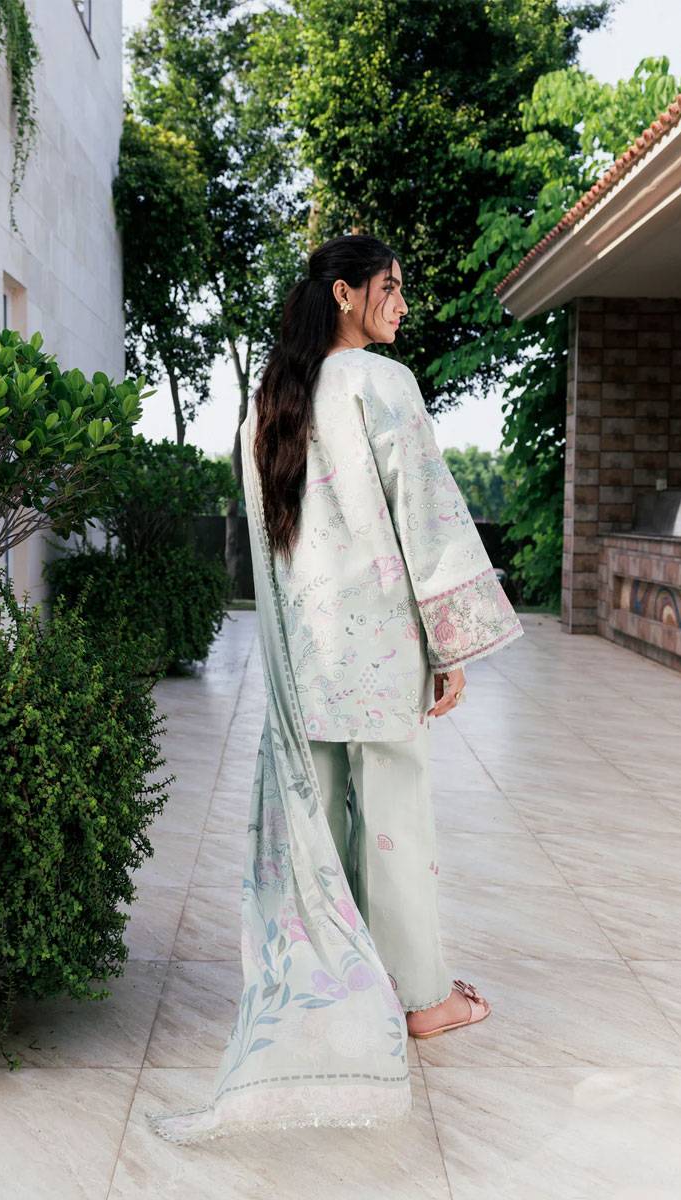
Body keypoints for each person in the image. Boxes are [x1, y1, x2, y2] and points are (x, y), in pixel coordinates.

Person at [147, 233, 523, 1146]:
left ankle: (330, 984)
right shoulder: (381, 385)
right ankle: (420, 999)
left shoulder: (273, 400)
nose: (403, 304)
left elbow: (272, 547)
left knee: (316, 822)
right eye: (390, 288)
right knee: (393, 821)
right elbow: (425, 518)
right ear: (347, 294)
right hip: (381, 643)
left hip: (306, 653)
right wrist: (449, 644)